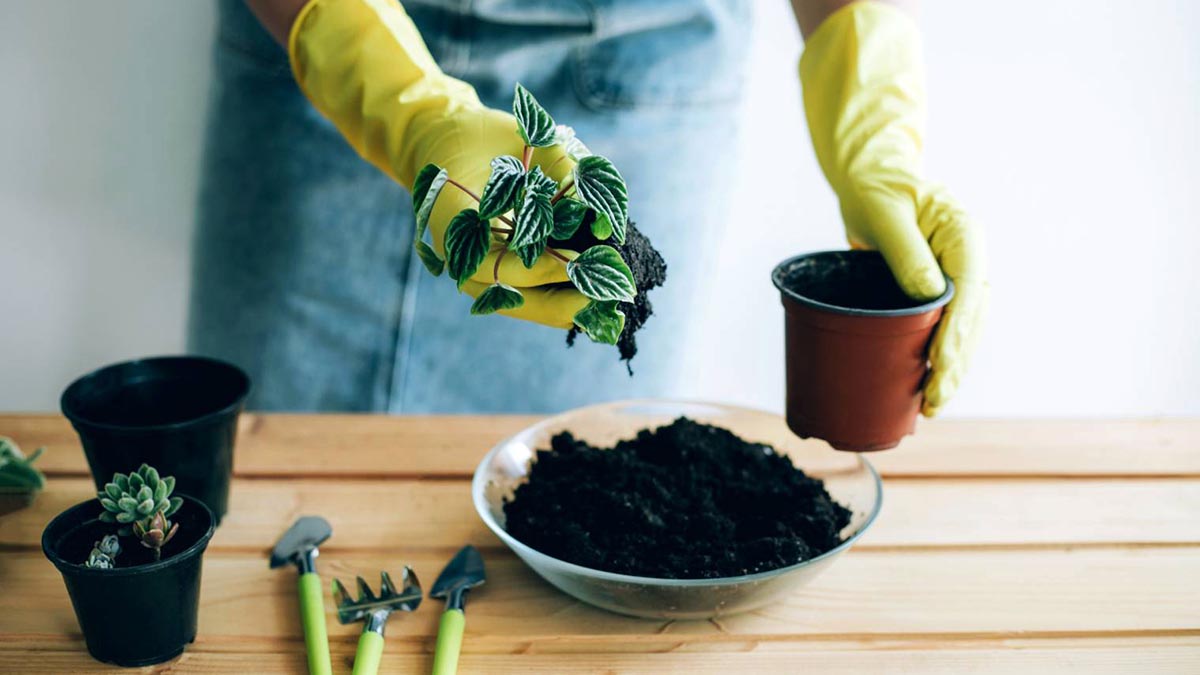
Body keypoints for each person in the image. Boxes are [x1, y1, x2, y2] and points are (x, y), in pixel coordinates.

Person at [189, 0, 986, 415]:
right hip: (321, 37)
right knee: (276, 475)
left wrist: (873, 106)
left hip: (643, 55)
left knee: (576, 485)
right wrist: (403, 104)